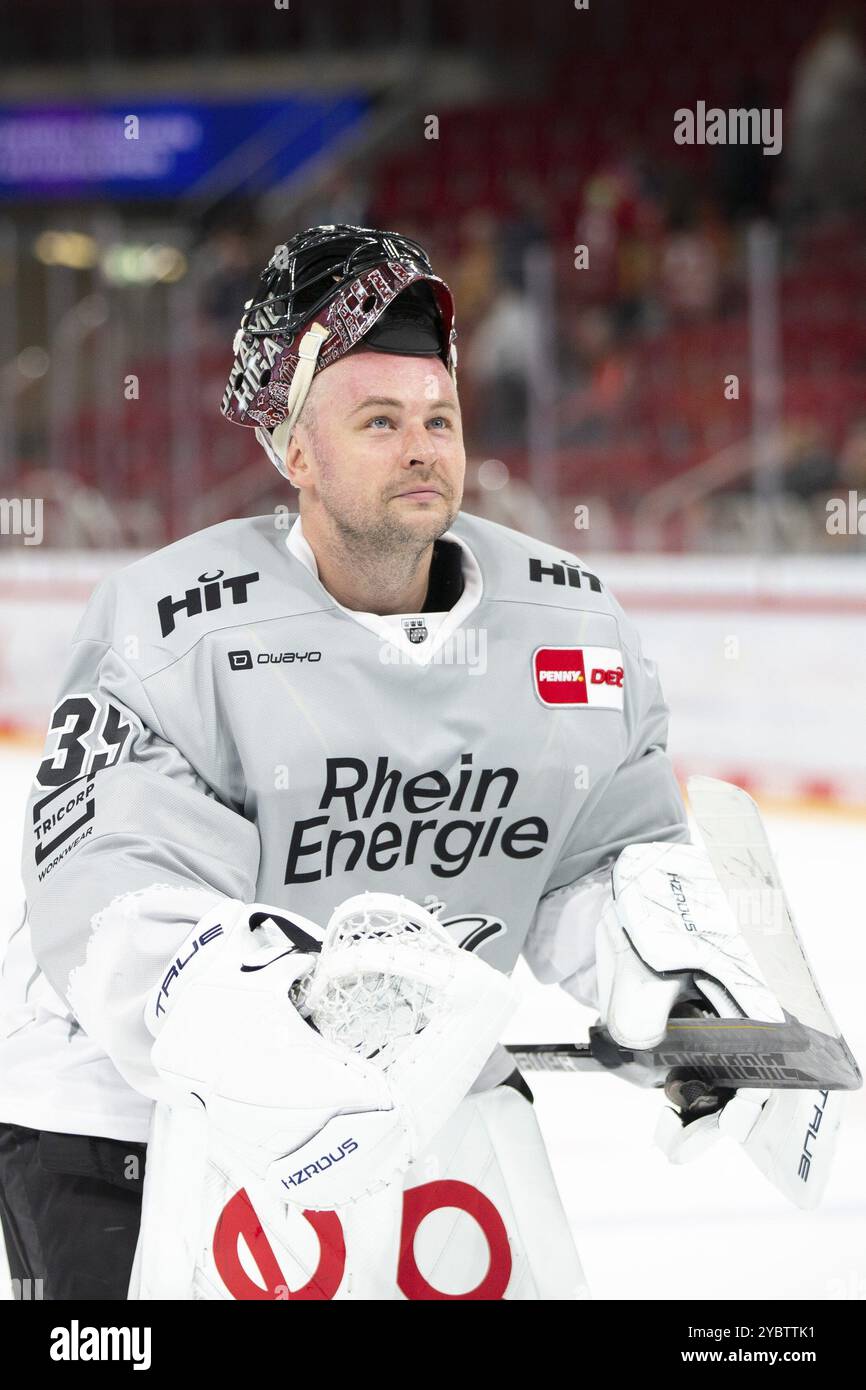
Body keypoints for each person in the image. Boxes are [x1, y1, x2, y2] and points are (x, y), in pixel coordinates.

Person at [0, 226, 819, 1301]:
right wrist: (265, 1014)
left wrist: (678, 992)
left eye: (437, 418)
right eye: (377, 422)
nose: (421, 446)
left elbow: (592, 857)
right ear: (294, 454)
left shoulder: (563, 627)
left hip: (401, 1101)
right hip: (117, 1118)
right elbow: (115, 892)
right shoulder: (170, 624)